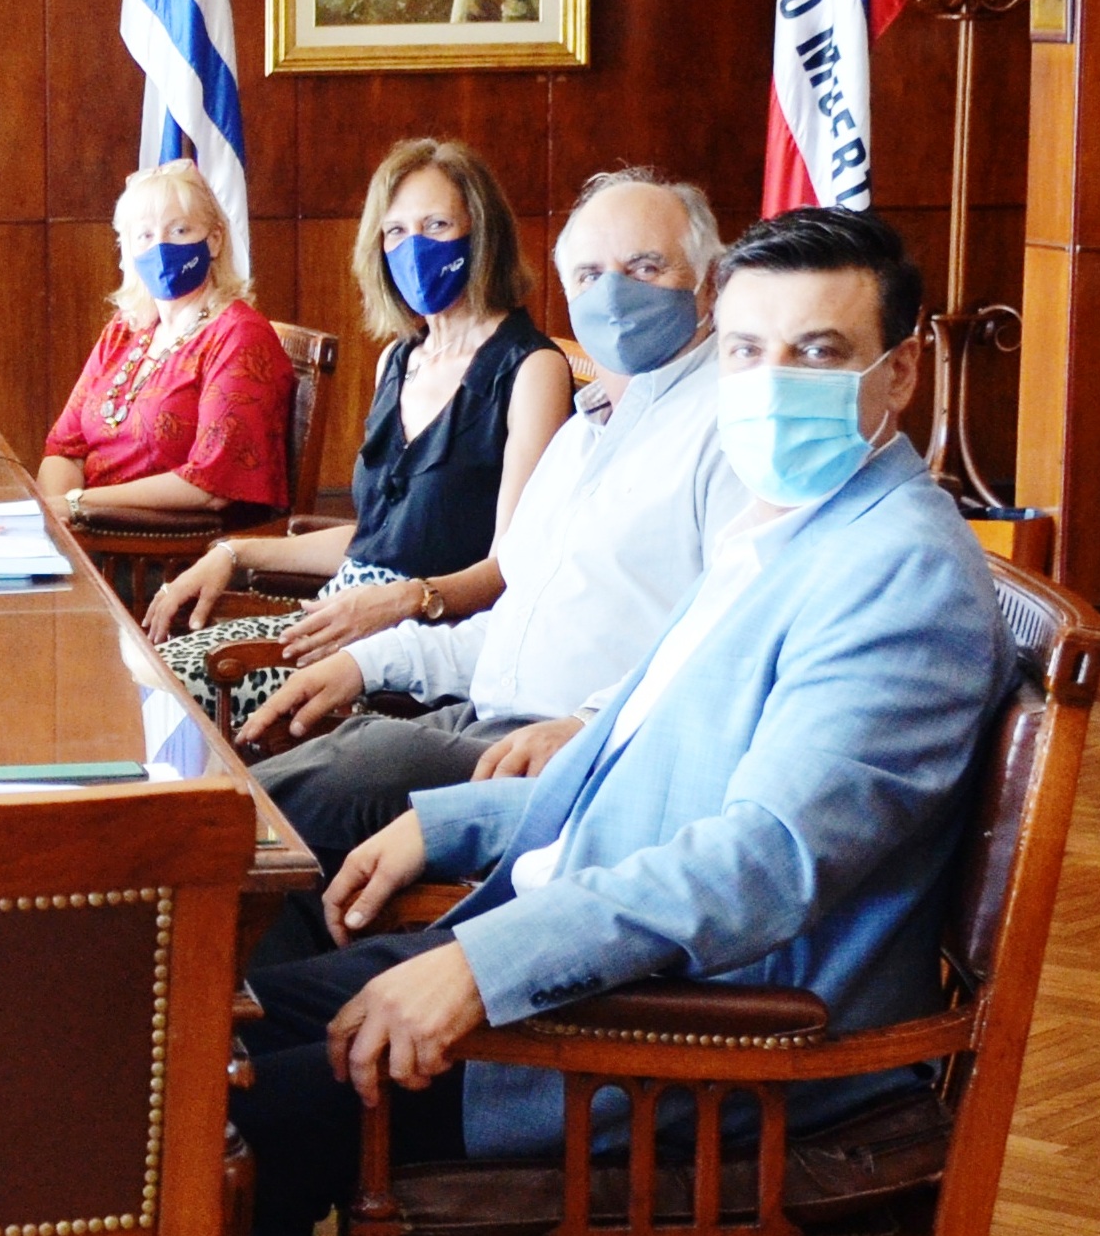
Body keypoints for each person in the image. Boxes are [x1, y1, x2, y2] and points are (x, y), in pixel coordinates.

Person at [206, 207, 1007, 1236]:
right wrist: (443, 822)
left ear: (898, 371)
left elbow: (760, 860)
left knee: (235, 1125)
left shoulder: (896, 572)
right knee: (207, 1039)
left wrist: (483, 968)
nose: (769, 385)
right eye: (743, 351)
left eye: (816, 352)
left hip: (697, 1046)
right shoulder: (786, 525)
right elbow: (630, 760)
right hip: (587, 974)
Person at [234, 169, 749, 891]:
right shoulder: (583, 435)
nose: (614, 295)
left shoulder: (732, 429)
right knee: (298, 801)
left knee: (313, 788)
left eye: (645, 268)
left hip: (584, 756)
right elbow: (512, 626)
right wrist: (368, 663)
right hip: (482, 716)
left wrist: (587, 725)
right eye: (591, 275)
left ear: (710, 284)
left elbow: (729, 647)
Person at [143, 139, 573, 723]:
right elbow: (375, 540)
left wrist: (401, 601)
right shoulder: (399, 358)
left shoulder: (531, 369)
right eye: (395, 232)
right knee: (147, 669)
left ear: (482, 233)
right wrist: (233, 551)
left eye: (436, 225)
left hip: (424, 645)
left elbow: (509, 570)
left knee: (176, 693)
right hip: (336, 619)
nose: (414, 246)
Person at [42, 159, 296, 525]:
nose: (160, 247)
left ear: (215, 239)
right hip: (92, 531)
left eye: (179, 230)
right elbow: (66, 447)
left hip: (167, 542)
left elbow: (212, 485)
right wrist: (56, 519)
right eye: (145, 236)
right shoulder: (126, 329)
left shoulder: (238, 336)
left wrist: (77, 505)